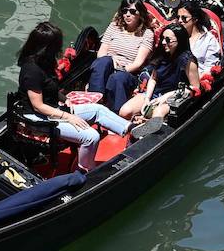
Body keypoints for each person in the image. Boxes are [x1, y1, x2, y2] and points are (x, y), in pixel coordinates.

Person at [17, 22, 158, 172]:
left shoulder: (45, 62)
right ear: (47, 47)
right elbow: (38, 105)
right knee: (90, 136)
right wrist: (68, 116)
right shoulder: (31, 70)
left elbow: (49, 88)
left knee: (98, 110)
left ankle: (133, 129)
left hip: (53, 111)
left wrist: (65, 99)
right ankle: (85, 170)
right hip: (36, 119)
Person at [119, 24, 200, 122]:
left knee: (158, 112)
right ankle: (141, 121)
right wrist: (147, 99)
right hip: (156, 93)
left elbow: (194, 88)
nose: (163, 42)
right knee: (124, 112)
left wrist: (166, 97)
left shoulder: (188, 61)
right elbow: (153, 79)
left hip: (174, 97)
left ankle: (148, 124)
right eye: (162, 38)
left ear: (179, 41)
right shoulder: (161, 54)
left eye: (168, 40)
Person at [87, 0, 155, 112]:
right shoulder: (114, 26)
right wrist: (111, 61)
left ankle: (115, 113)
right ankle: (94, 102)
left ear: (140, 14)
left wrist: (120, 68)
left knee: (117, 77)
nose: (127, 14)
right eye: (125, 11)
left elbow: (138, 63)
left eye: (132, 12)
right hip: (107, 65)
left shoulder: (147, 34)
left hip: (128, 73)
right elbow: (101, 53)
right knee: (103, 62)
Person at [174, 2, 222, 73]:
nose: (180, 21)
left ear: (195, 19)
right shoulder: (174, 36)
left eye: (184, 18)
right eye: (178, 17)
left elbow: (209, 68)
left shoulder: (209, 40)